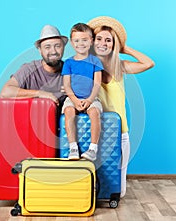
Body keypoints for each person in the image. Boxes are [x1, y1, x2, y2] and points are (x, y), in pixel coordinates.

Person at [88, 16, 155, 197]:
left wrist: (124, 48)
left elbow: (149, 63)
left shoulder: (121, 66)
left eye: (108, 40)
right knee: (93, 182)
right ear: (93, 42)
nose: (103, 43)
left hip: (120, 132)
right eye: (99, 39)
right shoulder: (86, 67)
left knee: (119, 192)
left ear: (114, 44)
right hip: (94, 133)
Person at [62, 23, 103, 161]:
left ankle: (93, 149)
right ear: (72, 42)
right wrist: (74, 100)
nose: (81, 43)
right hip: (73, 98)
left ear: (91, 41)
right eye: (77, 40)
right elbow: (67, 85)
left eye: (84, 40)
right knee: (68, 112)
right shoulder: (68, 63)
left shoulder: (95, 61)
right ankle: (73, 147)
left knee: (94, 113)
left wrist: (90, 100)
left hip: (91, 97)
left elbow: (97, 84)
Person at [0, 25, 68, 106]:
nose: (53, 51)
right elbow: (5, 93)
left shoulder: (71, 70)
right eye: (47, 47)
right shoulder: (29, 70)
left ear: (63, 47)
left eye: (57, 46)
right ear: (40, 50)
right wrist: (40, 94)